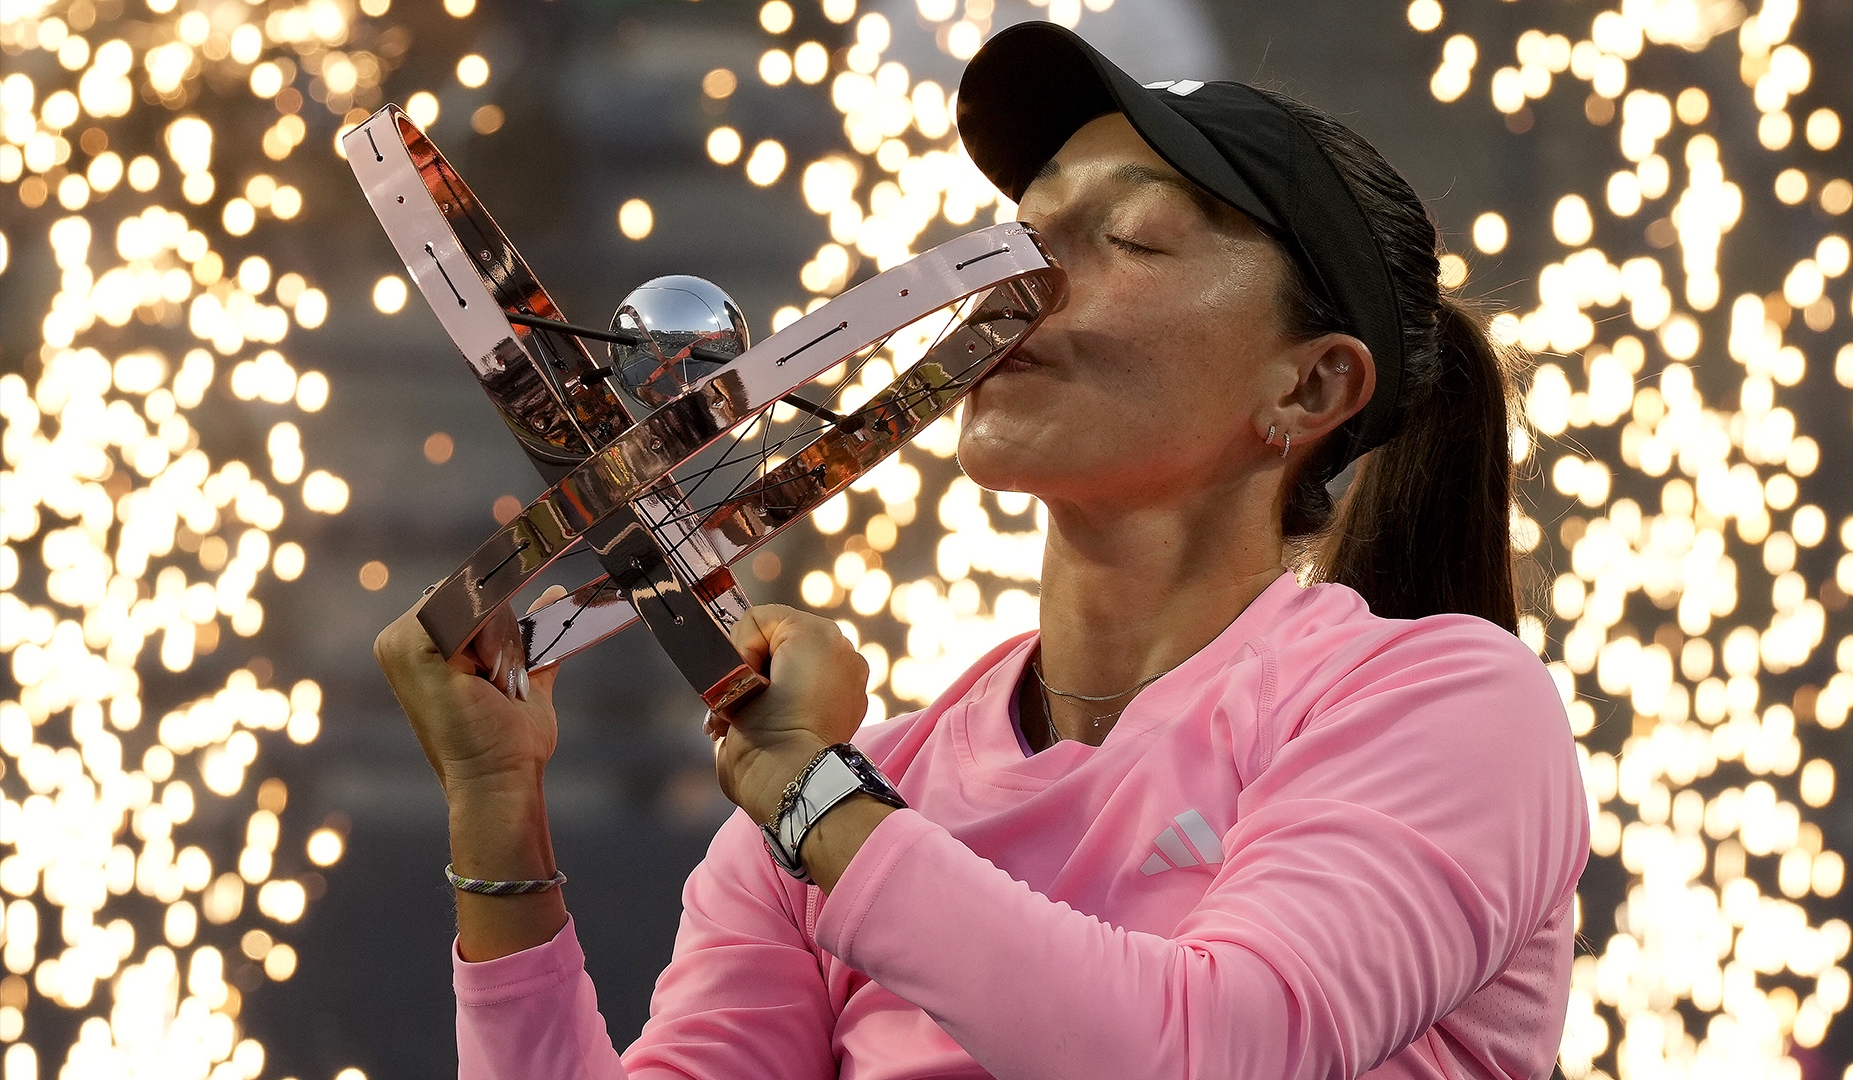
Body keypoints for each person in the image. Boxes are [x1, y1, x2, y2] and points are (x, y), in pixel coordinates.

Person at [375, 21, 1589, 1080]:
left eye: (1135, 240)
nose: (1020, 280)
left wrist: (817, 801)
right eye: (1023, 234)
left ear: (1312, 382)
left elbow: (1215, 1051)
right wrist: (497, 813)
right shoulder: (842, 789)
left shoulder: (1445, 703)